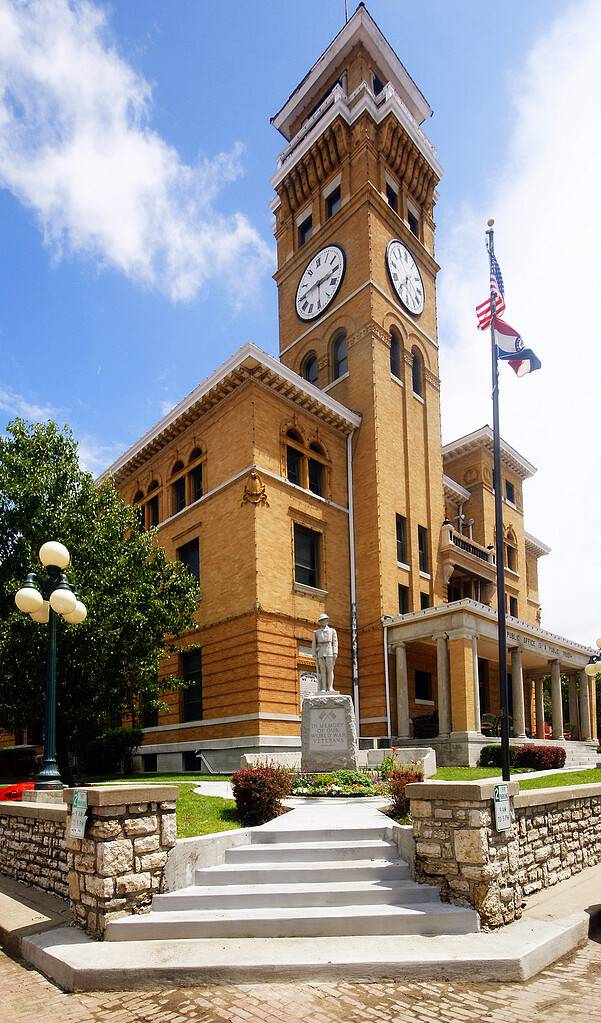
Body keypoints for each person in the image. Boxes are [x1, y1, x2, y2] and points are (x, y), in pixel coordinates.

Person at [311, 613, 338, 692]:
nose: (323, 621)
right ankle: (323, 688)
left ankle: (330, 687)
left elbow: (335, 642)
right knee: (322, 670)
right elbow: (314, 644)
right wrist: (314, 654)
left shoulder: (332, 631)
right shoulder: (316, 632)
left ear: (327, 621)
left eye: (325, 620)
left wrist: (335, 652)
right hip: (320, 651)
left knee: (330, 670)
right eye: (322, 620)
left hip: (329, 650)